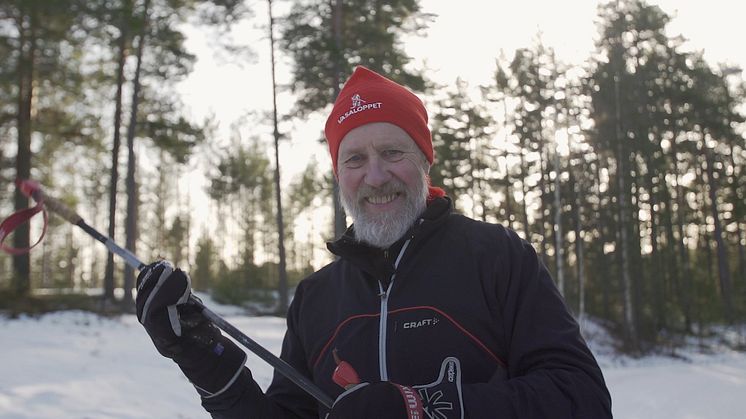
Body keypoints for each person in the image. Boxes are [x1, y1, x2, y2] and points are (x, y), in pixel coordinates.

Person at [135, 66, 613, 418]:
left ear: (425, 161)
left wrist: (422, 406)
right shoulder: (316, 297)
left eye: (392, 152)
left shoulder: (497, 258)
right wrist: (207, 361)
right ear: (339, 175)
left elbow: (582, 398)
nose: (376, 176)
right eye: (355, 159)